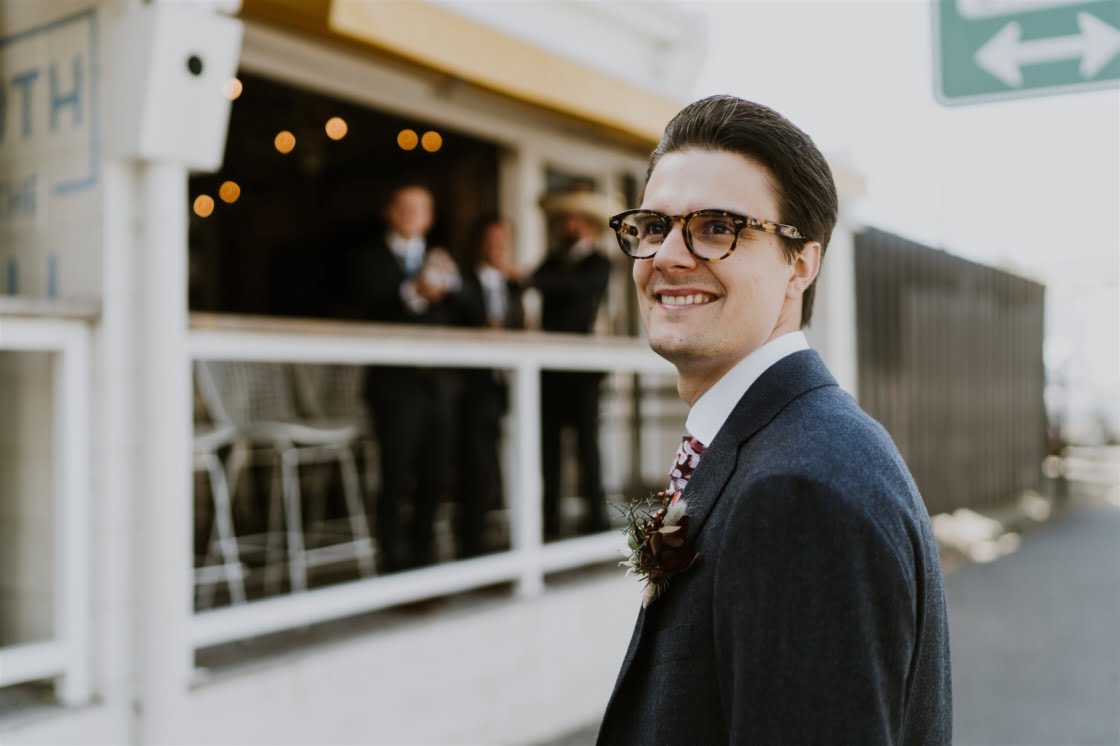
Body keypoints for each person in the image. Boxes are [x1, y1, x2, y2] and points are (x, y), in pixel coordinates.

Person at [597, 95, 951, 744]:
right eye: (653, 225)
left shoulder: (799, 492)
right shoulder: (787, 441)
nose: (668, 255)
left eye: (716, 228)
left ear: (801, 264)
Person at [350, 182, 468, 572]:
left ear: (430, 218)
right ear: (390, 212)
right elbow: (371, 304)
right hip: (395, 386)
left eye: (421, 209)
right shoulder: (369, 258)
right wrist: (414, 291)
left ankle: (424, 558)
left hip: (439, 385)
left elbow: (468, 311)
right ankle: (393, 561)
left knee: (435, 475)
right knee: (395, 475)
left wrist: (452, 286)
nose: (413, 215)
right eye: (405, 208)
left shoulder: (443, 260)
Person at [532, 190, 615, 539]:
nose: (567, 226)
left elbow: (574, 288)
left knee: (587, 447)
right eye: (563, 221)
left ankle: (596, 521)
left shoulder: (599, 263)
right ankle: (549, 523)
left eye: (573, 220)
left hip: (583, 372)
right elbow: (538, 282)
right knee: (548, 449)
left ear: (587, 225)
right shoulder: (551, 262)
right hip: (550, 372)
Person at [455, 215, 525, 558]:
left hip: (507, 387)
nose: (497, 247)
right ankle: (472, 545)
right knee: (476, 467)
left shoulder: (514, 286)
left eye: (503, 240)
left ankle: (502, 539)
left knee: (503, 465)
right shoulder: (462, 283)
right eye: (491, 240)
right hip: (471, 390)